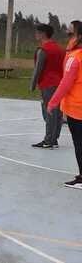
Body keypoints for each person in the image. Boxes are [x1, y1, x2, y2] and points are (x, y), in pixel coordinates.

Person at [47, 22, 82, 190]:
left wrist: (53, 102)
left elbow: (66, 82)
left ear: (78, 37)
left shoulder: (75, 57)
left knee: (79, 144)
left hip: (77, 107)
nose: (68, 38)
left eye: (70, 34)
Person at [30, 24, 64, 149]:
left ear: (43, 33)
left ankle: (48, 140)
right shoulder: (60, 49)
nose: (35, 34)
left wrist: (32, 84)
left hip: (48, 84)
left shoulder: (43, 50)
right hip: (59, 84)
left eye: (37, 32)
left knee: (49, 112)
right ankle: (54, 139)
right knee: (57, 112)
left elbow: (38, 69)